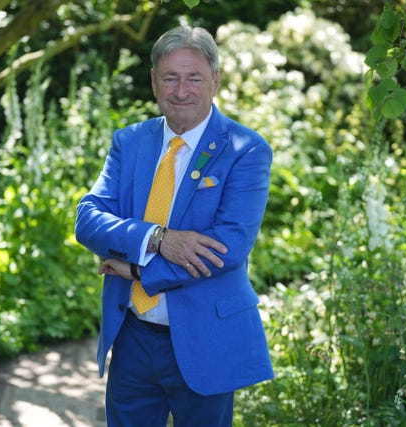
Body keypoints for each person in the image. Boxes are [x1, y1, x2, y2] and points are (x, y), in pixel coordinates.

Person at [75, 25, 273, 427]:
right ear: (153, 81)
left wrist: (135, 270)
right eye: (170, 77)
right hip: (132, 340)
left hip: (206, 342)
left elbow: (227, 249)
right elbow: (89, 219)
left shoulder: (246, 149)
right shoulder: (129, 142)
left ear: (214, 82)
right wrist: (158, 239)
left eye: (194, 78)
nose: (181, 90)